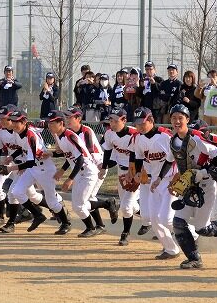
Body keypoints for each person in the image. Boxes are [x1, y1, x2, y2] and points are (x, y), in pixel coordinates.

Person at [161, 104, 217, 269]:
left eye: (180, 118)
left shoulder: (196, 137)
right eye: (173, 118)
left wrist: (204, 171)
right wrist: (162, 178)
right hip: (189, 185)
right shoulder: (173, 141)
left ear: (187, 119)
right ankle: (194, 258)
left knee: (202, 229)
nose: (176, 121)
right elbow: (171, 161)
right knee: (179, 222)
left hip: (206, 185)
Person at [0, 110, 71, 235]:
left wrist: (11, 168)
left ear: (24, 122)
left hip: (44, 169)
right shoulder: (19, 133)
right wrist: (12, 157)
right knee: (16, 191)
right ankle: (38, 215)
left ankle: (66, 223)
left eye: (18, 121)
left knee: (51, 201)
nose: (14, 124)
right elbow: (22, 148)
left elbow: (31, 161)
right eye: (13, 121)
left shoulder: (31, 135)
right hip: (33, 169)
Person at [131, 107, 180, 259]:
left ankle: (191, 233)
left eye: (142, 123)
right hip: (154, 181)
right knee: (154, 218)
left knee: (166, 218)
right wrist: (138, 173)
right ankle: (171, 249)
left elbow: (176, 157)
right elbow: (138, 157)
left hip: (171, 180)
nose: (139, 127)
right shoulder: (139, 138)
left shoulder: (165, 137)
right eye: (137, 124)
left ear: (151, 120)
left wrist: (178, 178)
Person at [64, 107, 118, 235]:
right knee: (89, 198)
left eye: (70, 117)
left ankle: (107, 206)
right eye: (66, 117)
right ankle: (101, 222)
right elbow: (74, 156)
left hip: (97, 167)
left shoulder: (85, 131)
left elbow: (88, 153)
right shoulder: (69, 134)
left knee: (86, 199)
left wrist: (100, 168)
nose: (67, 119)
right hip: (87, 168)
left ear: (78, 119)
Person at [47, 110, 101, 237]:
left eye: (53, 123)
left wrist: (69, 179)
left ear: (61, 123)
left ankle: (91, 228)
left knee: (79, 206)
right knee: (78, 205)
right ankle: (106, 204)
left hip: (88, 172)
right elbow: (68, 155)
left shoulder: (69, 135)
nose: (49, 126)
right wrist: (51, 154)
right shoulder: (60, 136)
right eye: (49, 123)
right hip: (80, 173)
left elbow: (81, 159)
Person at [100, 107, 141, 246]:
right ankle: (148, 218)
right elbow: (107, 150)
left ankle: (125, 233)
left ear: (124, 120)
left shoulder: (134, 134)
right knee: (129, 205)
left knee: (126, 206)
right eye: (110, 120)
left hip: (136, 172)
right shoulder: (110, 133)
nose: (111, 123)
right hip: (120, 172)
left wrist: (134, 173)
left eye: (115, 120)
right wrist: (104, 167)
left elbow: (139, 156)